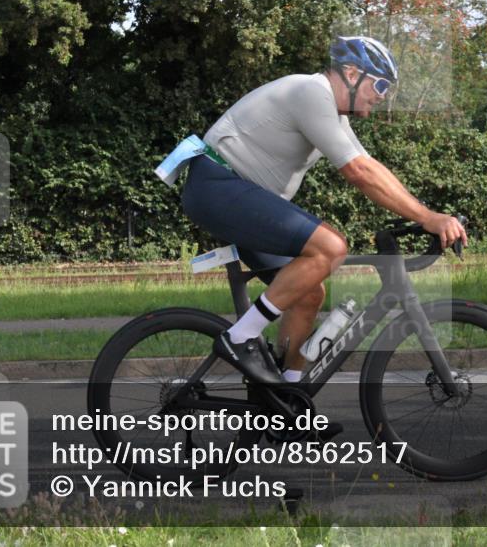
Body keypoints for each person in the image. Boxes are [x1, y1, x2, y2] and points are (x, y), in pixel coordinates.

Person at [181, 36, 467, 385]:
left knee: (308, 293)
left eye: (388, 90)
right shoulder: (312, 93)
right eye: (379, 84)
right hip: (218, 188)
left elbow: (369, 165)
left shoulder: (332, 113)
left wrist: (426, 213)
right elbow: (358, 173)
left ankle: (286, 395)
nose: (382, 96)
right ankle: (239, 338)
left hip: (236, 194)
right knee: (331, 246)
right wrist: (427, 218)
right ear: (350, 72)